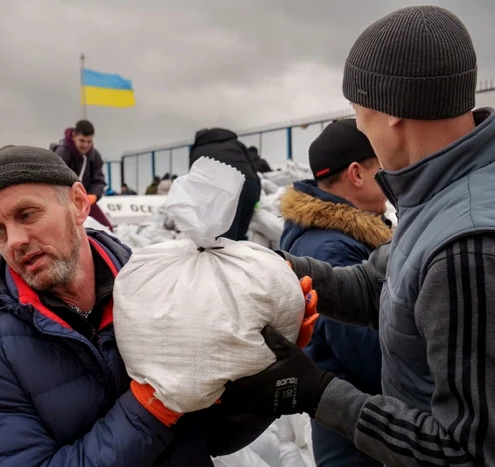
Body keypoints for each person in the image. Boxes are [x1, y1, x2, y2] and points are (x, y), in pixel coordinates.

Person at [238, 6, 495, 466]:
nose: (359, 127)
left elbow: (467, 452)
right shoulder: (441, 190)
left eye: (359, 112)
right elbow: (379, 285)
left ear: (392, 112)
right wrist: (278, 268)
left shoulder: (466, 246)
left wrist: (320, 395)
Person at [0, 145, 276, 466]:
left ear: (78, 203)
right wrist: (150, 408)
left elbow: (214, 435)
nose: (15, 240)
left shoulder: (162, 292)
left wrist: (266, 371)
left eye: (27, 215)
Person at [279, 119, 390, 467]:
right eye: (381, 169)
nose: (389, 179)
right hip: (359, 434)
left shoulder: (324, 237)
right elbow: (367, 354)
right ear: (356, 174)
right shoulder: (334, 250)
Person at [189, 128, 261, 240]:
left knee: (225, 237)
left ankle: (227, 255)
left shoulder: (197, 150)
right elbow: (253, 170)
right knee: (240, 234)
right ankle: (242, 255)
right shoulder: (236, 144)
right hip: (248, 184)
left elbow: (195, 180)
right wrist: (256, 197)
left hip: (222, 188)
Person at [53, 120, 112, 229]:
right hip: (64, 202)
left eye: (89, 141)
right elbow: (54, 179)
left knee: (106, 228)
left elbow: (99, 179)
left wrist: (94, 195)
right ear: (74, 136)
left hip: (86, 201)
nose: (85, 145)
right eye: (82, 141)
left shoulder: (94, 155)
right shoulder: (62, 153)